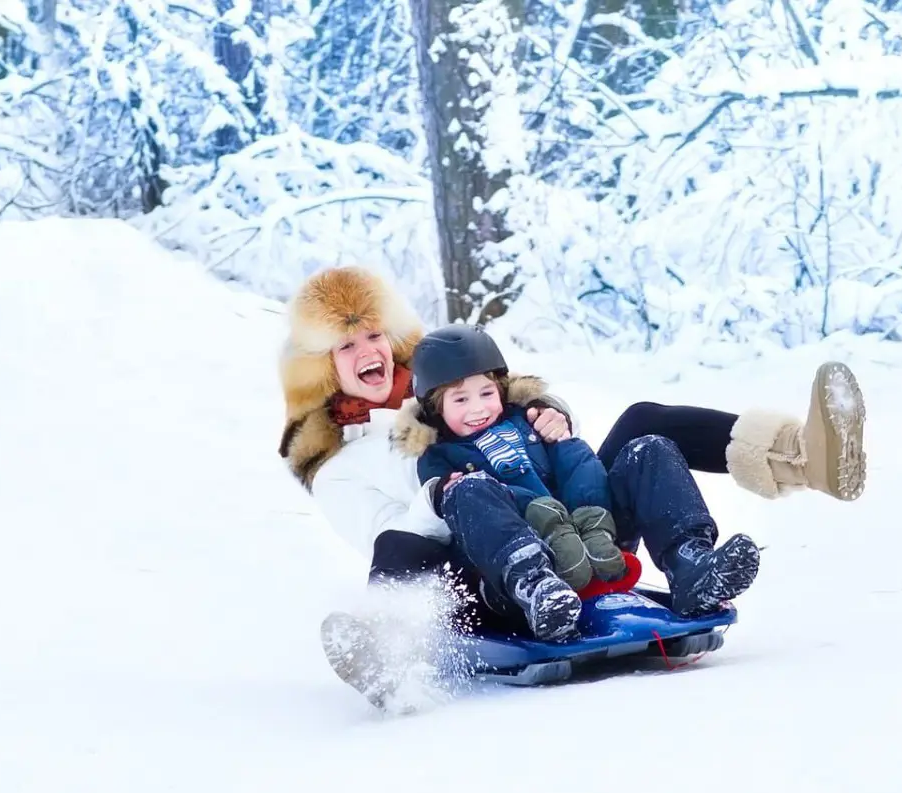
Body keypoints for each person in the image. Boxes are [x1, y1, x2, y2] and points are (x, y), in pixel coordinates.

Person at [277, 265, 867, 706]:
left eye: (372, 335)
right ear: (324, 367)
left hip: (575, 535)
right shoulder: (339, 467)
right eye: (345, 345)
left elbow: (555, 460)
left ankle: (796, 462)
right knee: (404, 544)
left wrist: (545, 421)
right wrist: (446, 489)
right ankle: (387, 650)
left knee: (643, 427)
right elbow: (392, 541)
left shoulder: (453, 385)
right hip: (489, 572)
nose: (367, 352)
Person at [395, 324, 630, 641]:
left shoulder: (528, 420)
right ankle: (537, 588)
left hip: (586, 543)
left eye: (487, 393)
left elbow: (577, 465)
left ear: (502, 390)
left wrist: (590, 516)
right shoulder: (438, 457)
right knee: (468, 489)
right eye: (460, 399)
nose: (478, 408)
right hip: (505, 573)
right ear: (436, 409)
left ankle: (689, 558)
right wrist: (541, 515)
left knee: (623, 449)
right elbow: (465, 514)